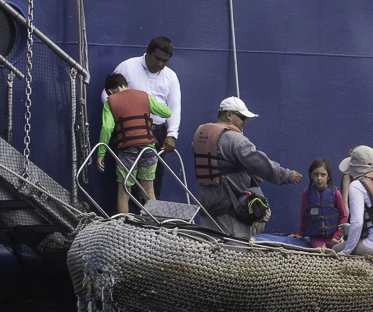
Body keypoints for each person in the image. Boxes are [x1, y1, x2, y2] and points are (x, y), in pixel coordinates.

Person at [192, 96, 302, 238]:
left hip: (207, 210)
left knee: (211, 252)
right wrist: (287, 175)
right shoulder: (234, 139)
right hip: (230, 214)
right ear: (229, 115)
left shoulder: (199, 137)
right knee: (235, 255)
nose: (244, 122)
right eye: (242, 117)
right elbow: (260, 164)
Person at [101, 36, 181, 198]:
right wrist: (123, 112)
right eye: (157, 58)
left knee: (154, 179)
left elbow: (174, 107)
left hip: (157, 133)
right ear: (148, 52)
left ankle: (150, 220)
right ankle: (130, 220)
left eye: (164, 61)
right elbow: (106, 94)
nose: (159, 64)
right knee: (127, 180)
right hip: (129, 130)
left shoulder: (170, 76)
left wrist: (172, 134)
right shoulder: (128, 67)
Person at [97, 73, 171, 213]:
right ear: (127, 85)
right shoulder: (143, 96)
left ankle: (123, 227)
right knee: (149, 189)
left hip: (126, 150)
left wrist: (101, 153)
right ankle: (155, 225)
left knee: (124, 191)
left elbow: (107, 128)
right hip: (148, 149)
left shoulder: (110, 102)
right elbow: (166, 113)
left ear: (110, 92)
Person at [291, 158, 348, 248]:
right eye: (315, 174)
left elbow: (344, 216)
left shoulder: (336, 193)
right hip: (316, 237)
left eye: (323, 175)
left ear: (328, 176)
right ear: (311, 175)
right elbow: (303, 215)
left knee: (338, 250)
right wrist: (301, 233)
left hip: (333, 236)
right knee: (320, 252)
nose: (319, 178)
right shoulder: (307, 193)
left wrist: (337, 236)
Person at [340, 145, 362, 216]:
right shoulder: (348, 177)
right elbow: (345, 202)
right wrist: (346, 218)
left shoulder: (367, 176)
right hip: (353, 214)